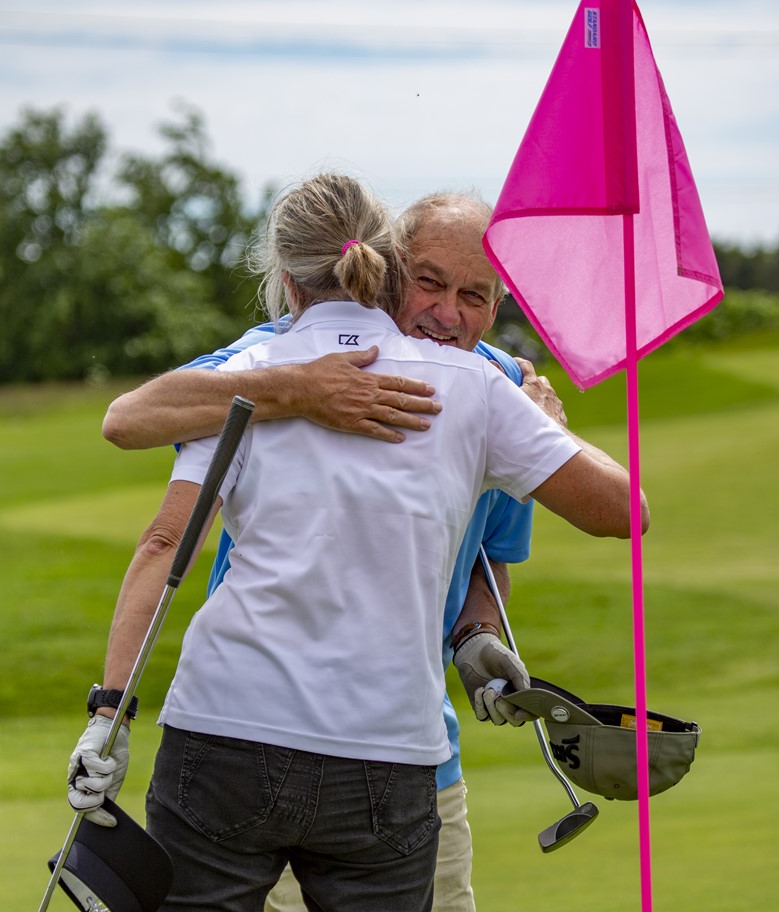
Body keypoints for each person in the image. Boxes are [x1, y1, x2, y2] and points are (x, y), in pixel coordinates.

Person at [97, 190, 620, 912]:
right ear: (386, 270)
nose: (448, 313)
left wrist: (476, 639)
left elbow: (492, 551)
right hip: (278, 735)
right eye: (430, 283)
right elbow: (130, 418)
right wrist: (298, 389)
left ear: (497, 304)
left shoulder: (499, 387)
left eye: (474, 296)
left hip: (410, 752)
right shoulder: (266, 357)